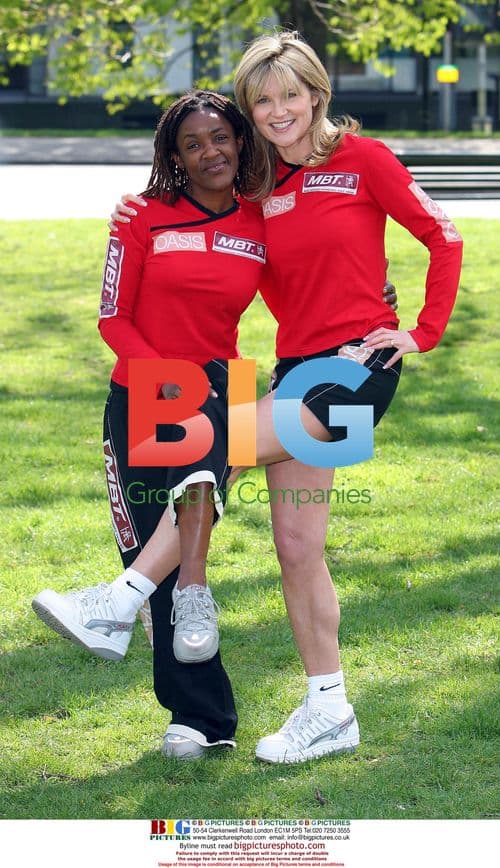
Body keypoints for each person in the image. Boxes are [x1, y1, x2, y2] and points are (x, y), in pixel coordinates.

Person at [33, 29, 460, 765]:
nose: (278, 111)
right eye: (262, 100)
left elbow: (443, 236)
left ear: (317, 93)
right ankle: (329, 709)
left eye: (290, 94)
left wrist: (418, 331)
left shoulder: (365, 159)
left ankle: (122, 600)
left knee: (216, 441)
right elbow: (264, 273)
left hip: (356, 368)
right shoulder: (265, 192)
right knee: (296, 548)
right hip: (297, 366)